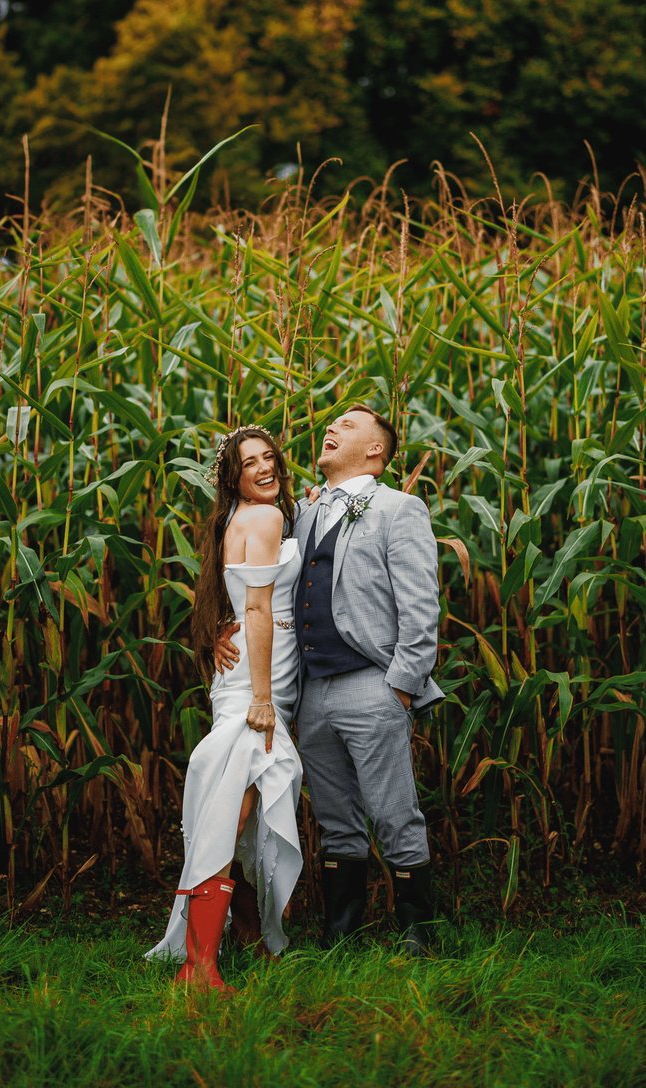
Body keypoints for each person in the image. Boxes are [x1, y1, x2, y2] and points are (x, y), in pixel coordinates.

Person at [217, 404, 444, 955]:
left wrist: (402, 685)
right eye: (332, 422)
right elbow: (259, 586)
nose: (332, 428)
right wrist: (221, 630)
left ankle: (418, 932)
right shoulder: (304, 514)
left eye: (347, 424)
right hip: (312, 694)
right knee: (336, 818)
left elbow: (421, 607)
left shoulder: (399, 509)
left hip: (373, 683)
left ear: (375, 451)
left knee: (394, 813)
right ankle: (342, 930)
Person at [145, 425, 304, 990]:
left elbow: (227, 595)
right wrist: (261, 699)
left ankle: (243, 938)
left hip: (250, 673)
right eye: (249, 463)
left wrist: (219, 636)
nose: (264, 468)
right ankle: (199, 964)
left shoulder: (236, 518)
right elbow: (257, 610)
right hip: (256, 682)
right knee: (235, 808)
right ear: (232, 477)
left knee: (242, 804)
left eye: (269, 457)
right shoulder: (264, 518)